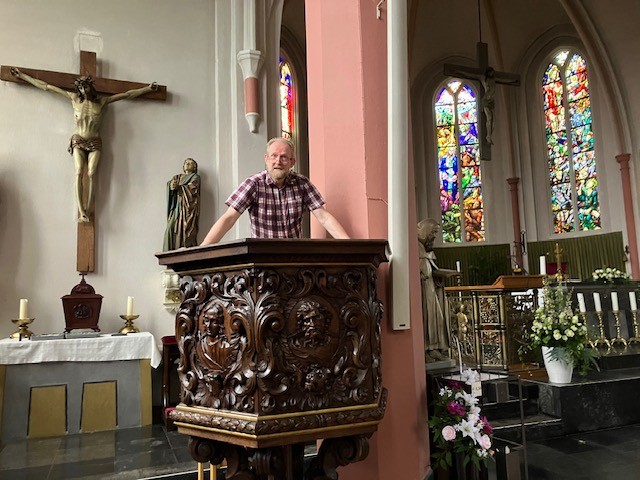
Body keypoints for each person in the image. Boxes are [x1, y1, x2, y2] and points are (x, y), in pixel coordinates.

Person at [10, 68, 158, 222]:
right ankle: (81, 211)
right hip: (79, 140)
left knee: (92, 173)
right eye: (80, 88)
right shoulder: (74, 98)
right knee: (79, 171)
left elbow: (126, 95)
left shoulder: (102, 102)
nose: (83, 90)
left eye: (85, 87)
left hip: (94, 141)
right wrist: (23, 76)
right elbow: (47, 86)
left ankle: (88, 208)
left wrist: (147, 89)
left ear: (90, 87)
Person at [201, 137, 349, 244]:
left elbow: (324, 217)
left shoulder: (302, 183)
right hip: (262, 259)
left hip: (294, 257)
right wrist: (203, 249)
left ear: (292, 162)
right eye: (274, 156)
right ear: (266, 159)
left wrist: (350, 245)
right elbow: (229, 218)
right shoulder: (253, 184)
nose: (278, 161)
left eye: (284, 157)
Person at [418, 218, 449, 362]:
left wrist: (439, 276)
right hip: (422, 291)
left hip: (430, 289)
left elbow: (430, 269)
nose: (435, 236)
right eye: (433, 232)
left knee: (436, 318)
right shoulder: (417, 247)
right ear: (426, 231)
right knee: (426, 319)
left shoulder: (425, 249)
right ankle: (425, 349)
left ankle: (434, 348)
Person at [163, 158, 201, 251]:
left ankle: (183, 249)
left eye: (190, 163)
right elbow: (171, 185)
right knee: (169, 229)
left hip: (188, 208)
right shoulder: (178, 177)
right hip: (177, 207)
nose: (187, 164)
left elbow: (193, 188)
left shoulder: (195, 177)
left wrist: (180, 188)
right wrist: (171, 186)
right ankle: (170, 252)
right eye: (186, 163)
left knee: (184, 229)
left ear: (194, 167)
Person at [480, 67, 496, 145]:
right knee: (489, 118)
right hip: (486, 100)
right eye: (490, 72)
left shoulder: (494, 80)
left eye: (492, 72)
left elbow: (506, 79)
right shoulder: (484, 80)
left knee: (494, 121)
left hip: (491, 101)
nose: (492, 73)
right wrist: (460, 72)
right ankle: (488, 137)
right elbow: (470, 74)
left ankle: (490, 136)